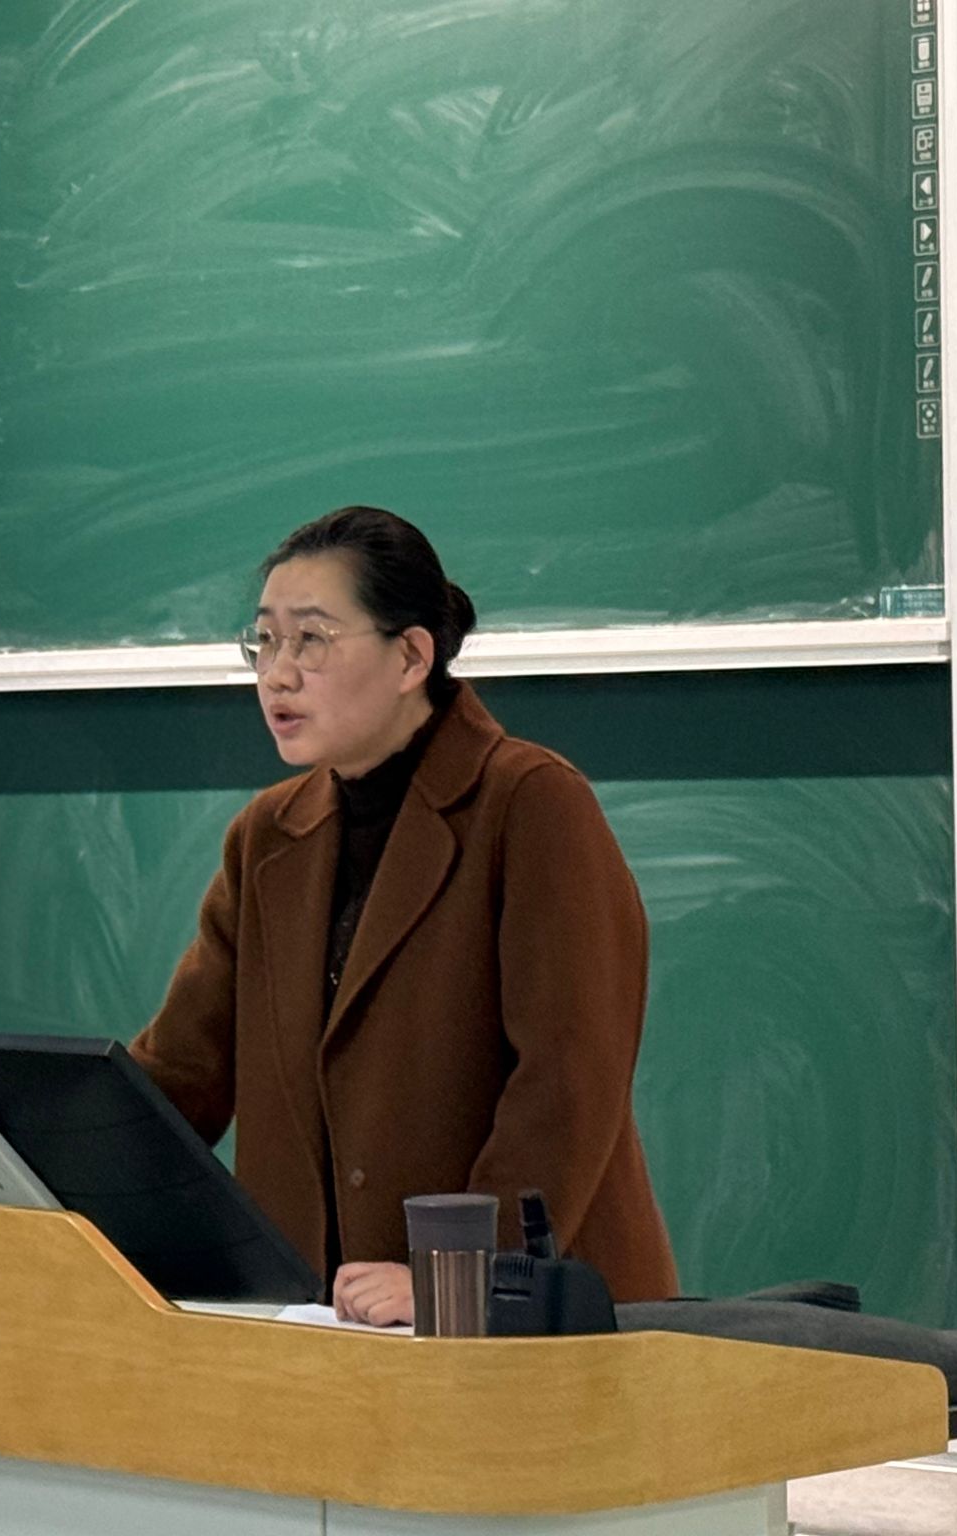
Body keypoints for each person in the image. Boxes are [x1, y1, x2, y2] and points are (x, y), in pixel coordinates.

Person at [129, 506, 678, 1326]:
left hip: (536, 1322)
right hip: (328, 1326)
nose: (277, 675)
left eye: (311, 640)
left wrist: (461, 1272)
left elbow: (568, 1079)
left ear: (412, 656)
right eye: (265, 641)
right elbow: (181, 1077)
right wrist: (30, 1169)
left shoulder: (529, 803)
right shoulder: (267, 837)